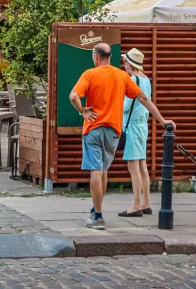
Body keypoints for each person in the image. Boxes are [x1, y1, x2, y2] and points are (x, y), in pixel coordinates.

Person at [69, 43, 173, 230]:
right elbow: (144, 99)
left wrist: (83, 111)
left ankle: (98, 216)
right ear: (110, 57)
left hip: (93, 128)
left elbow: (73, 96)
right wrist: (162, 120)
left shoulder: (89, 74)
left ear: (96, 57)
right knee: (103, 170)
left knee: (95, 170)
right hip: (113, 132)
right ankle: (96, 209)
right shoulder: (123, 76)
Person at [119, 48, 152, 218]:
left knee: (133, 167)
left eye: (125, 61)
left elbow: (125, 106)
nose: (123, 64)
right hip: (143, 125)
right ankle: (146, 203)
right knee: (142, 165)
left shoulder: (133, 79)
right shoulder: (146, 79)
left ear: (129, 64)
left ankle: (136, 205)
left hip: (132, 126)